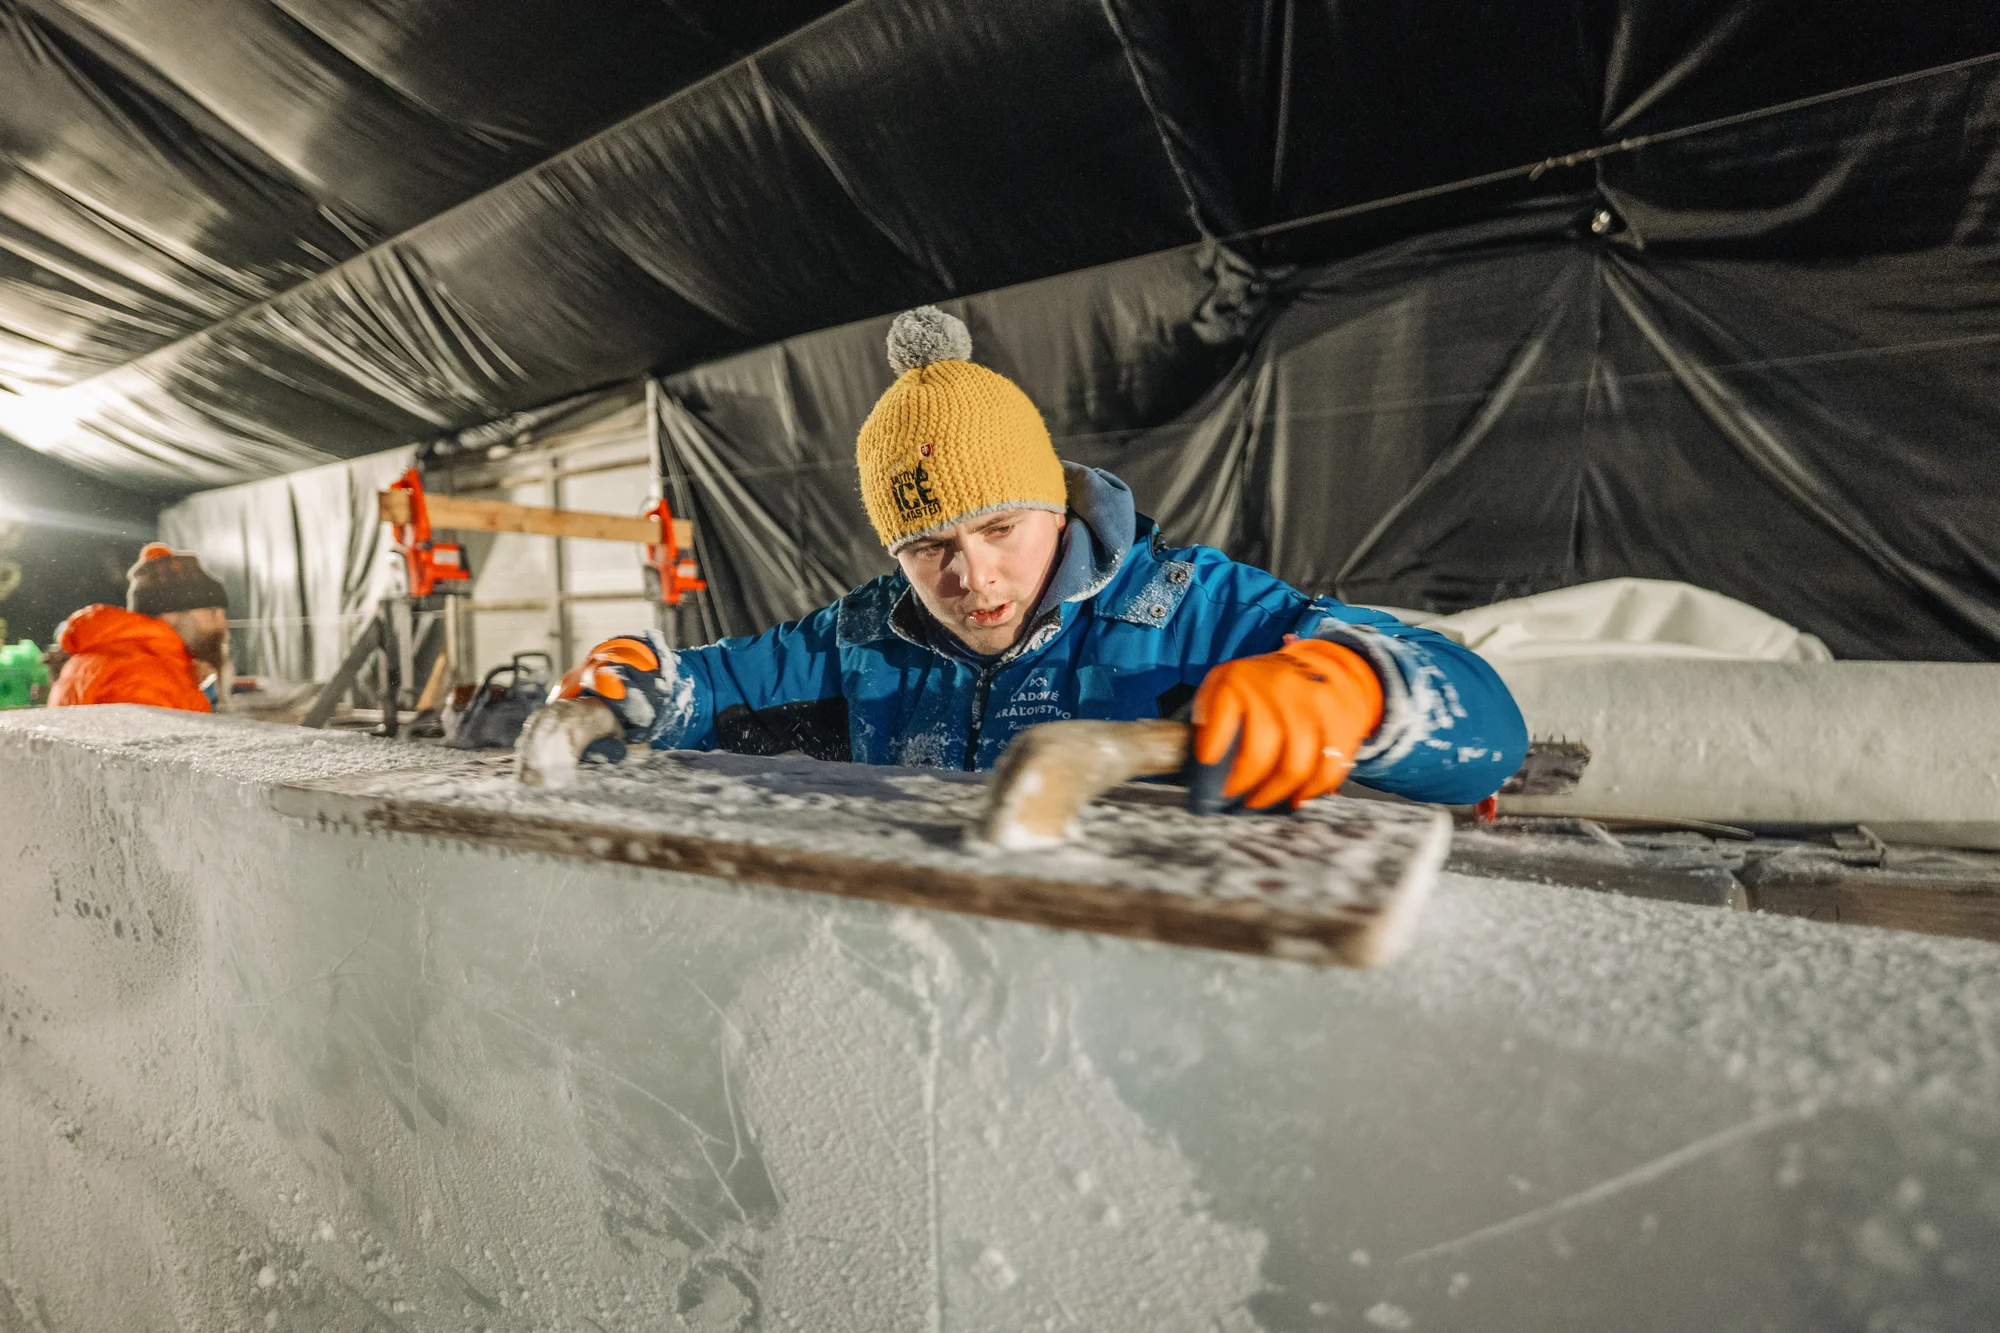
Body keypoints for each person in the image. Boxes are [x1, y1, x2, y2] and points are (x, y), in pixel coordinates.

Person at [555, 308, 1527, 809]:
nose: (970, 577)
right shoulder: (863, 634)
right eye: (927, 547)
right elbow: (710, 686)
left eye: (997, 531)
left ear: (1055, 508)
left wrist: (1352, 688)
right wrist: (640, 677)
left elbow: (1485, 723)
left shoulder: (1188, 614)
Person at [48, 543, 228, 712]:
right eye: (211, 612)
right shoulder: (141, 674)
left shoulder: (132, 658)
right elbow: (157, 744)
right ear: (169, 615)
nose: (222, 624)